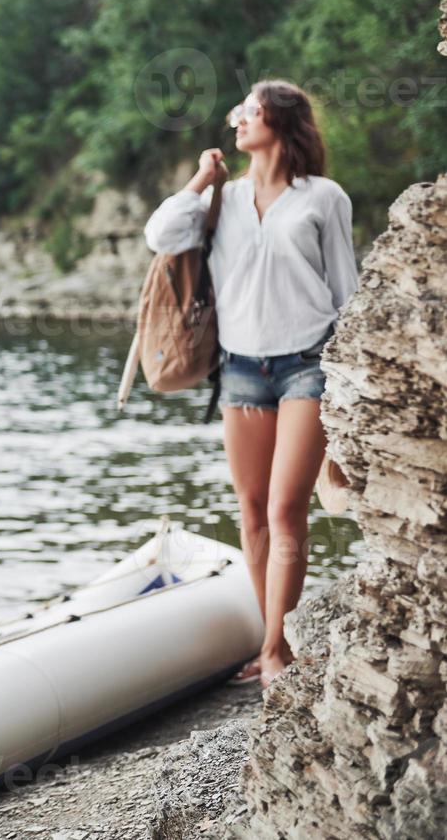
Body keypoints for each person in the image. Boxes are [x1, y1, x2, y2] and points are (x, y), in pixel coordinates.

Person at [143, 79, 358, 690]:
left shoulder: (324, 198)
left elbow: (346, 290)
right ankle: (274, 635)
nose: (238, 119)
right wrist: (200, 180)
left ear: (281, 122)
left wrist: (352, 378)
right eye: (238, 111)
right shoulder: (224, 200)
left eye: (251, 110)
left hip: (308, 363)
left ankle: (273, 649)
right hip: (240, 368)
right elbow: (161, 235)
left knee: (287, 507)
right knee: (253, 510)